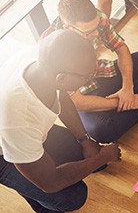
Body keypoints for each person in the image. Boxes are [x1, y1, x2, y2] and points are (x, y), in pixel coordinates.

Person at [0, 30, 122, 213]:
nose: (92, 78)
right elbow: (51, 183)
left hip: (29, 134)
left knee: (90, 155)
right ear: (62, 78)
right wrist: (102, 157)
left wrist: (85, 139)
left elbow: (62, 98)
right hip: (5, 154)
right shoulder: (19, 119)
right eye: (87, 75)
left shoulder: (43, 63)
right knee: (72, 197)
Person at [42, 0, 138, 143]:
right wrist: (122, 101)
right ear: (68, 27)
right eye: (89, 32)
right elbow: (76, 101)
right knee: (101, 131)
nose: (96, 33)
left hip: (101, 73)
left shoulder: (96, 19)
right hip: (83, 94)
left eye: (96, 28)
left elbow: (121, 49)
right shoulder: (49, 49)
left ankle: (134, 102)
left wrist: (127, 88)